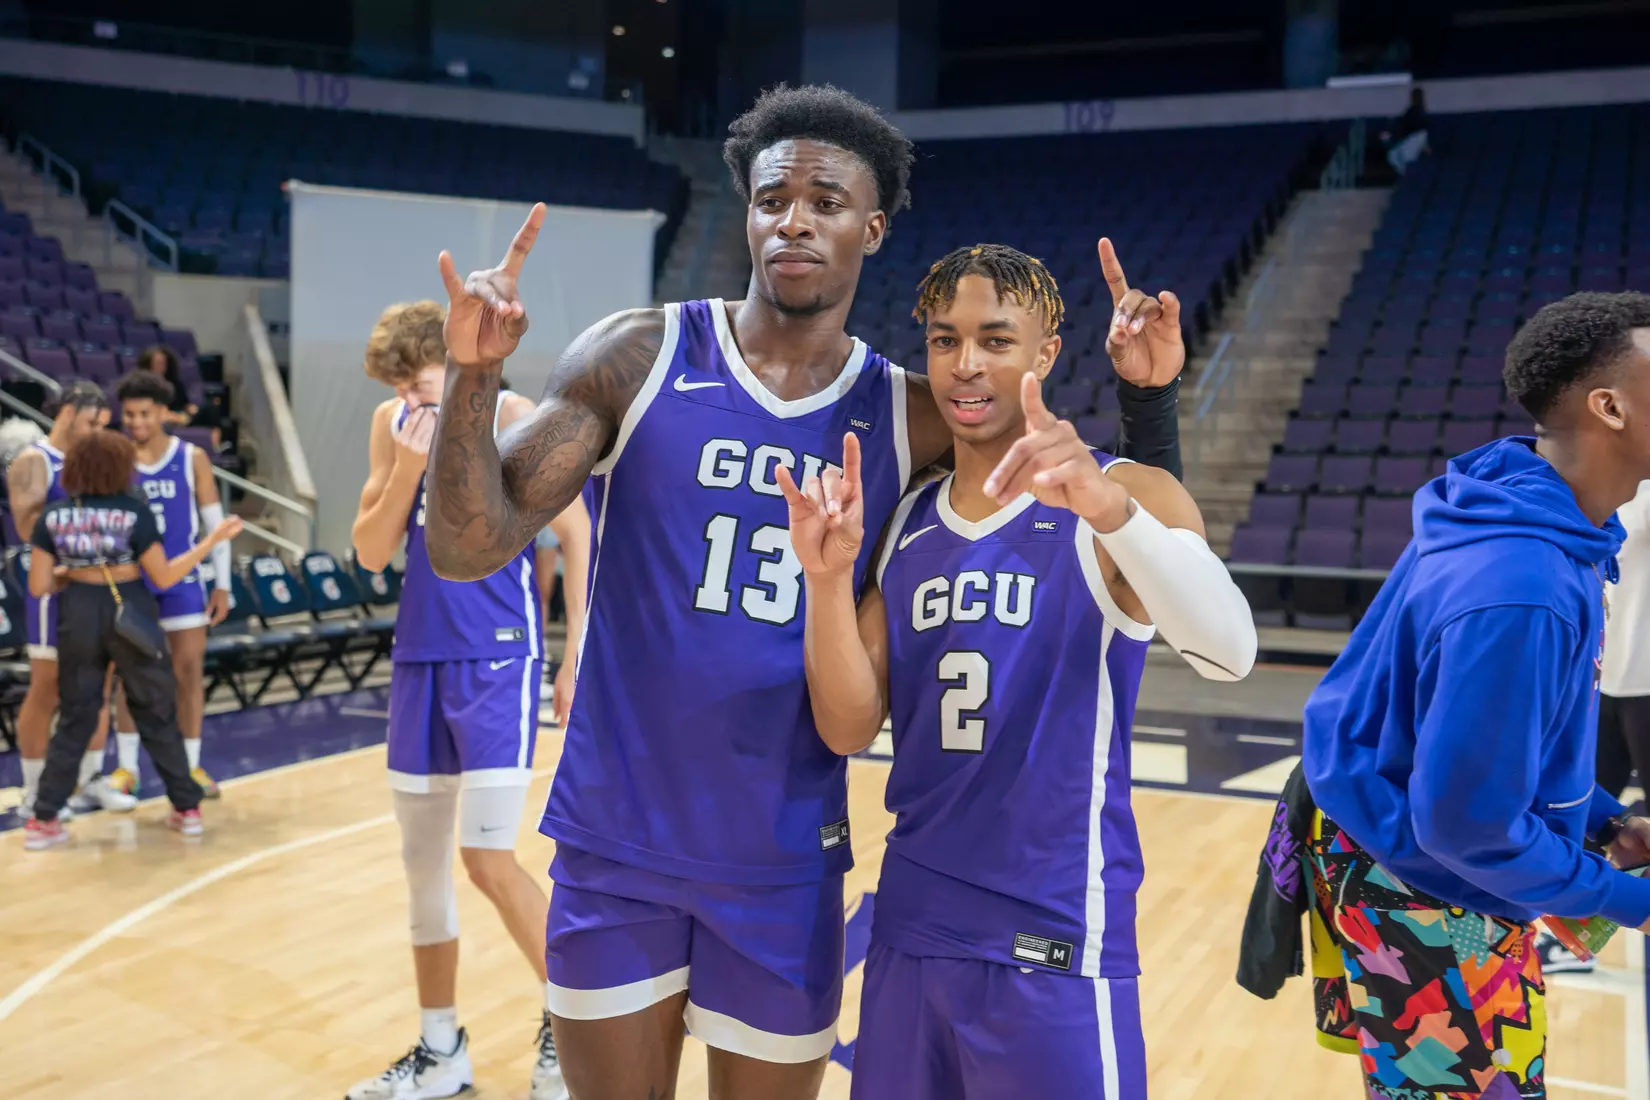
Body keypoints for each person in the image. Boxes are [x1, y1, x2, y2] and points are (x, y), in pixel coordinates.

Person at [421, 85, 1185, 1099]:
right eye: (774, 196)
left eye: (827, 200)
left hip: (784, 856)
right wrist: (472, 377)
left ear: (871, 226)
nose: (795, 218)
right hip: (616, 844)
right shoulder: (637, 356)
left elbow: (1085, 492)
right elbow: (468, 544)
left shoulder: (908, 416)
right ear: (746, 211)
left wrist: (1147, 397)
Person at [778, 244, 1255, 1099]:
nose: (965, 364)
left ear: (1044, 353)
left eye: (996, 340)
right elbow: (849, 726)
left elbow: (1230, 652)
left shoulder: (1121, 492)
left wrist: (1116, 513)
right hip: (911, 933)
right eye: (944, 338)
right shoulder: (906, 521)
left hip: (1055, 942)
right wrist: (823, 581)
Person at [1301, 292, 1650, 1099]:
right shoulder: (1520, 581)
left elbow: (1495, 748)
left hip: (1417, 851)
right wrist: (1629, 900)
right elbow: (1466, 823)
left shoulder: (1528, 509)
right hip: (1422, 877)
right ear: (1610, 406)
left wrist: (1606, 821)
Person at [345, 301, 580, 1100]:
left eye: (421, 382)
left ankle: (569, 1024)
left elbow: (578, 534)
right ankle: (441, 1049)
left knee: (486, 859)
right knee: (424, 877)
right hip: (418, 660)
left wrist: (575, 643)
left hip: (499, 659)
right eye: (400, 387)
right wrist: (406, 469)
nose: (411, 399)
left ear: (457, 363)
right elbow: (372, 552)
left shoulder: (512, 415)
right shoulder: (394, 425)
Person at [22, 430, 240, 850]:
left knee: (76, 715)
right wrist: (211, 543)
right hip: (132, 611)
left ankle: (44, 818)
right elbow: (164, 576)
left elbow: (39, 586)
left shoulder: (53, 517)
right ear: (122, 468)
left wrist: (76, 571)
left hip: (79, 614)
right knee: (156, 708)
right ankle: (186, 809)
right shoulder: (135, 512)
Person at [106, 369, 233, 799]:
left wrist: (223, 584)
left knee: (188, 674)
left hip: (182, 583)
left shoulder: (191, 457)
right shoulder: (117, 457)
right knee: (130, 676)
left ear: (163, 412)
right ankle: (126, 769)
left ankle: (191, 766)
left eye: (144, 413)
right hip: (132, 582)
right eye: (129, 415)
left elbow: (217, 525)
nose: (136, 422)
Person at [5, 382, 130, 818]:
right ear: (68, 411)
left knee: (98, 688)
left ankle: (90, 779)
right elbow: (27, 527)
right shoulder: (33, 459)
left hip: (97, 586)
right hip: (55, 589)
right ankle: (35, 788)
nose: (98, 432)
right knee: (48, 688)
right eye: (92, 422)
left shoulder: (93, 461)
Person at [139, 343, 221, 449]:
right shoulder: (143, 385)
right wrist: (169, 415)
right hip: (163, 419)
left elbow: (184, 403)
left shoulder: (174, 383)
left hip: (181, 416)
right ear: (149, 364)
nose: (162, 366)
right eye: (158, 363)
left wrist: (189, 407)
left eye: (164, 363)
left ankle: (216, 442)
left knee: (211, 406)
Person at [1380, 85, 1429, 176]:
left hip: (1417, 137)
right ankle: (1405, 175)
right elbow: (1403, 125)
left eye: (1416, 96)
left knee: (1407, 157)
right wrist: (1390, 134)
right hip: (1408, 138)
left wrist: (1425, 145)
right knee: (1393, 155)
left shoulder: (1421, 112)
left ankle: (1409, 177)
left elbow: (1422, 130)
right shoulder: (1410, 111)